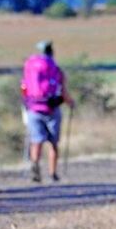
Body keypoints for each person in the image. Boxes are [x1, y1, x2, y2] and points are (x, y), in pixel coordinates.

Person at [21, 41, 73, 183]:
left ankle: (35, 167)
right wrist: (70, 103)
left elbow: (24, 88)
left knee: (36, 141)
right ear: (51, 52)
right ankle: (53, 173)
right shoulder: (55, 69)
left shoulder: (30, 67)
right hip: (52, 109)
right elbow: (62, 90)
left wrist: (26, 104)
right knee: (53, 143)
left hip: (33, 108)